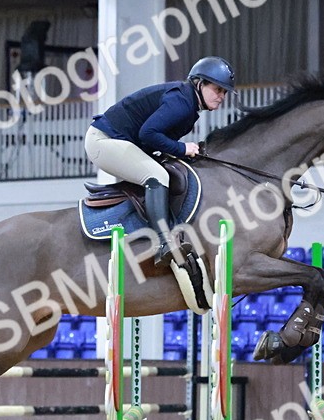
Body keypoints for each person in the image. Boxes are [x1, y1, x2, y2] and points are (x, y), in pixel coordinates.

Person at [85, 56, 235, 266]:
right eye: (218, 89)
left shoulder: (188, 104)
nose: (222, 96)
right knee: (157, 175)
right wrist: (183, 148)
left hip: (122, 142)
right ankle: (164, 243)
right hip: (103, 141)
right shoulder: (182, 102)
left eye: (225, 92)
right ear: (199, 84)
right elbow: (148, 134)